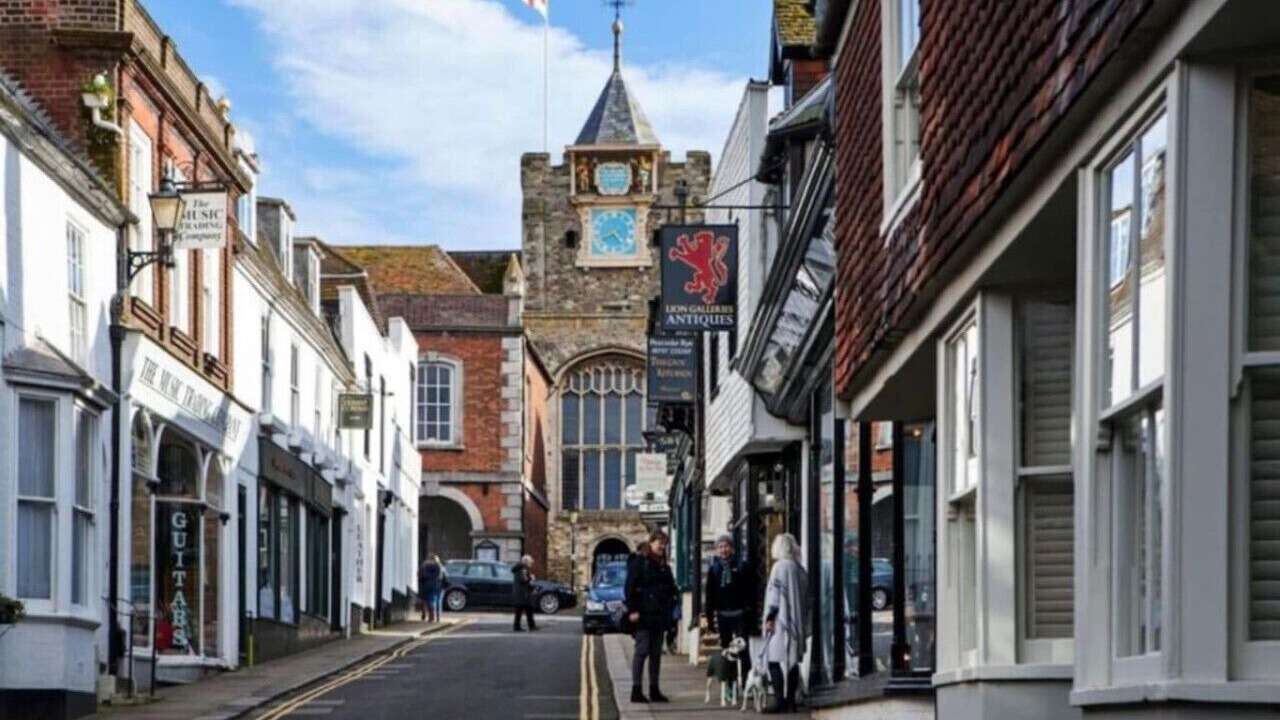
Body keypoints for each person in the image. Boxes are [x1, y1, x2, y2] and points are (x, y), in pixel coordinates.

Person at [625, 530, 678, 705]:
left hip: (660, 616)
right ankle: (636, 690)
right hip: (643, 615)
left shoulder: (664, 566)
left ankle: (654, 690)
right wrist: (632, 610)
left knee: (656, 654)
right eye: (659, 543)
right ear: (651, 542)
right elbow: (629, 587)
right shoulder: (639, 562)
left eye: (665, 544)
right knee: (641, 652)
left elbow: (671, 589)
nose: (662, 546)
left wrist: (672, 610)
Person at [762, 533, 809, 714]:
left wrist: (770, 618)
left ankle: (780, 700)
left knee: (773, 659)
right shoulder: (799, 569)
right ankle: (791, 701)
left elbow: (775, 595)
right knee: (792, 661)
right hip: (795, 621)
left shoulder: (779, 567)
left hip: (780, 621)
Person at [705, 534, 752, 652]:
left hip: (740, 613)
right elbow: (710, 594)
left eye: (726, 546)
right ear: (717, 550)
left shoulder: (742, 565)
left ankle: (745, 670)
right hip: (722, 614)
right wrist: (710, 618)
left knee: (742, 648)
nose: (723, 550)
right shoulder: (714, 569)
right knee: (726, 648)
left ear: (731, 548)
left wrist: (748, 608)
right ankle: (729, 670)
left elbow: (749, 589)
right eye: (720, 547)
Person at [512, 555, 539, 632]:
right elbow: (524, 580)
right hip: (523, 594)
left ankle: (518, 626)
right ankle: (531, 626)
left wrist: (532, 587)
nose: (531, 564)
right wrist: (531, 578)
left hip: (519, 592)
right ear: (527, 562)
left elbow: (523, 581)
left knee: (520, 611)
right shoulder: (523, 568)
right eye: (530, 562)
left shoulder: (519, 568)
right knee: (528, 609)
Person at [418, 555, 445, 623]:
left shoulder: (424, 565)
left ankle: (431, 616)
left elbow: (420, 575)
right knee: (438, 601)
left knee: (430, 600)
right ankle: (438, 617)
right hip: (439, 586)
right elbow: (445, 577)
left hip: (428, 585)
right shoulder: (441, 566)